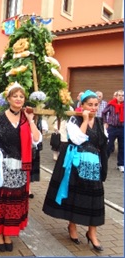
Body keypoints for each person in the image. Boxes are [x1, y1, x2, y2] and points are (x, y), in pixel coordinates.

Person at [42, 90, 108, 252]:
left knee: (95, 199)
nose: (93, 108)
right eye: (89, 105)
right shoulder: (74, 120)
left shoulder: (100, 121)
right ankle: (72, 225)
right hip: (76, 165)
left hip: (93, 166)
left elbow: (102, 141)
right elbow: (78, 139)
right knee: (75, 196)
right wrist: (85, 119)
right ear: (82, 106)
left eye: (95, 105)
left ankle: (92, 232)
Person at [0, 82, 42, 252]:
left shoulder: (25, 118)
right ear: (8, 99)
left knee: (13, 201)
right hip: (2, 165)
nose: (18, 99)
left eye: (21, 96)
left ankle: (7, 232)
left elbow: (36, 139)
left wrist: (30, 121)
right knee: (1, 200)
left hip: (20, 167)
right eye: (15, 96)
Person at [102, 89, 124, 172]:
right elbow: (103, 112)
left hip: (122, 128)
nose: (121, 97)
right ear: (116, 96)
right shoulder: (111, 104)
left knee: (122, 147)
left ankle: (121, 164)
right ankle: (104, 163)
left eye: (122, 96)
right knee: (108, 146)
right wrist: (105, 122)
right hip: (112, 128)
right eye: (119, 95)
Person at [29, 116, 47, 198]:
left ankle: (28, 189)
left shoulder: (37, 118)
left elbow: (36, 138)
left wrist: (31, 120)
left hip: (31, 147)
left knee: (29, 168)